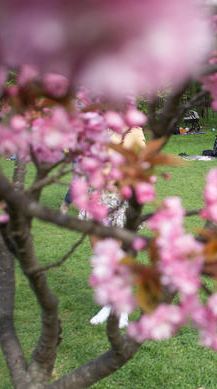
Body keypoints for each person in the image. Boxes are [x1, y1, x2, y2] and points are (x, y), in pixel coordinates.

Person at [81, 126, 146, 328]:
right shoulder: (95, 125)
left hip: (119, 196)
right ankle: (109, 304)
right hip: (95, 194)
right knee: (101, 256)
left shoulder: (133, 130)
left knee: (118, 256)